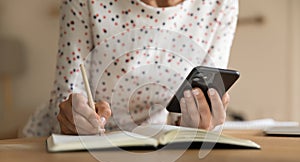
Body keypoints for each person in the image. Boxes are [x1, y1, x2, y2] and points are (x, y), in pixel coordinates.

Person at [22, 0, 238, 137]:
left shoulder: (221, 4)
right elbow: (65, 95)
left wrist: (197, 122)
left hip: (159, 147)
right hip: (78, 148)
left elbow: (201, 99)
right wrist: (74, 116)